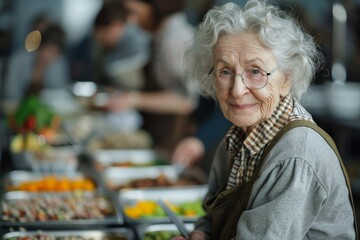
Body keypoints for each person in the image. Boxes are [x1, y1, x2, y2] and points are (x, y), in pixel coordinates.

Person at [173, 1, 357, 239]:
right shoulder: (236, 139)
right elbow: (211, 215)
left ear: (286, 79)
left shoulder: (295, 155)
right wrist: (201, 233)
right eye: (225, 71)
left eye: (256, 71)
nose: (238, 90)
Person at [107, 0, 197, 155]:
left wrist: (132, 99)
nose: (131, 21)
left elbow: (186, 101)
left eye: (133, 12)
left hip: (178, 138)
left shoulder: (174, 39)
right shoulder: (162, 33)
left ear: (156, 6)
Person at [69, 0, 150, 90]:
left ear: (117, 25)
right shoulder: (109, 46)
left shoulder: (135, 39)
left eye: (105, 33)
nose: (102, 40)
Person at [3, 22, 69, 105]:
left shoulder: (59, 63)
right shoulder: (18, 60)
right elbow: (10, 95)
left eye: (55, 53)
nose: (49, 56)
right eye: (48, 49)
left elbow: (60, 94)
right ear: (40, 45)